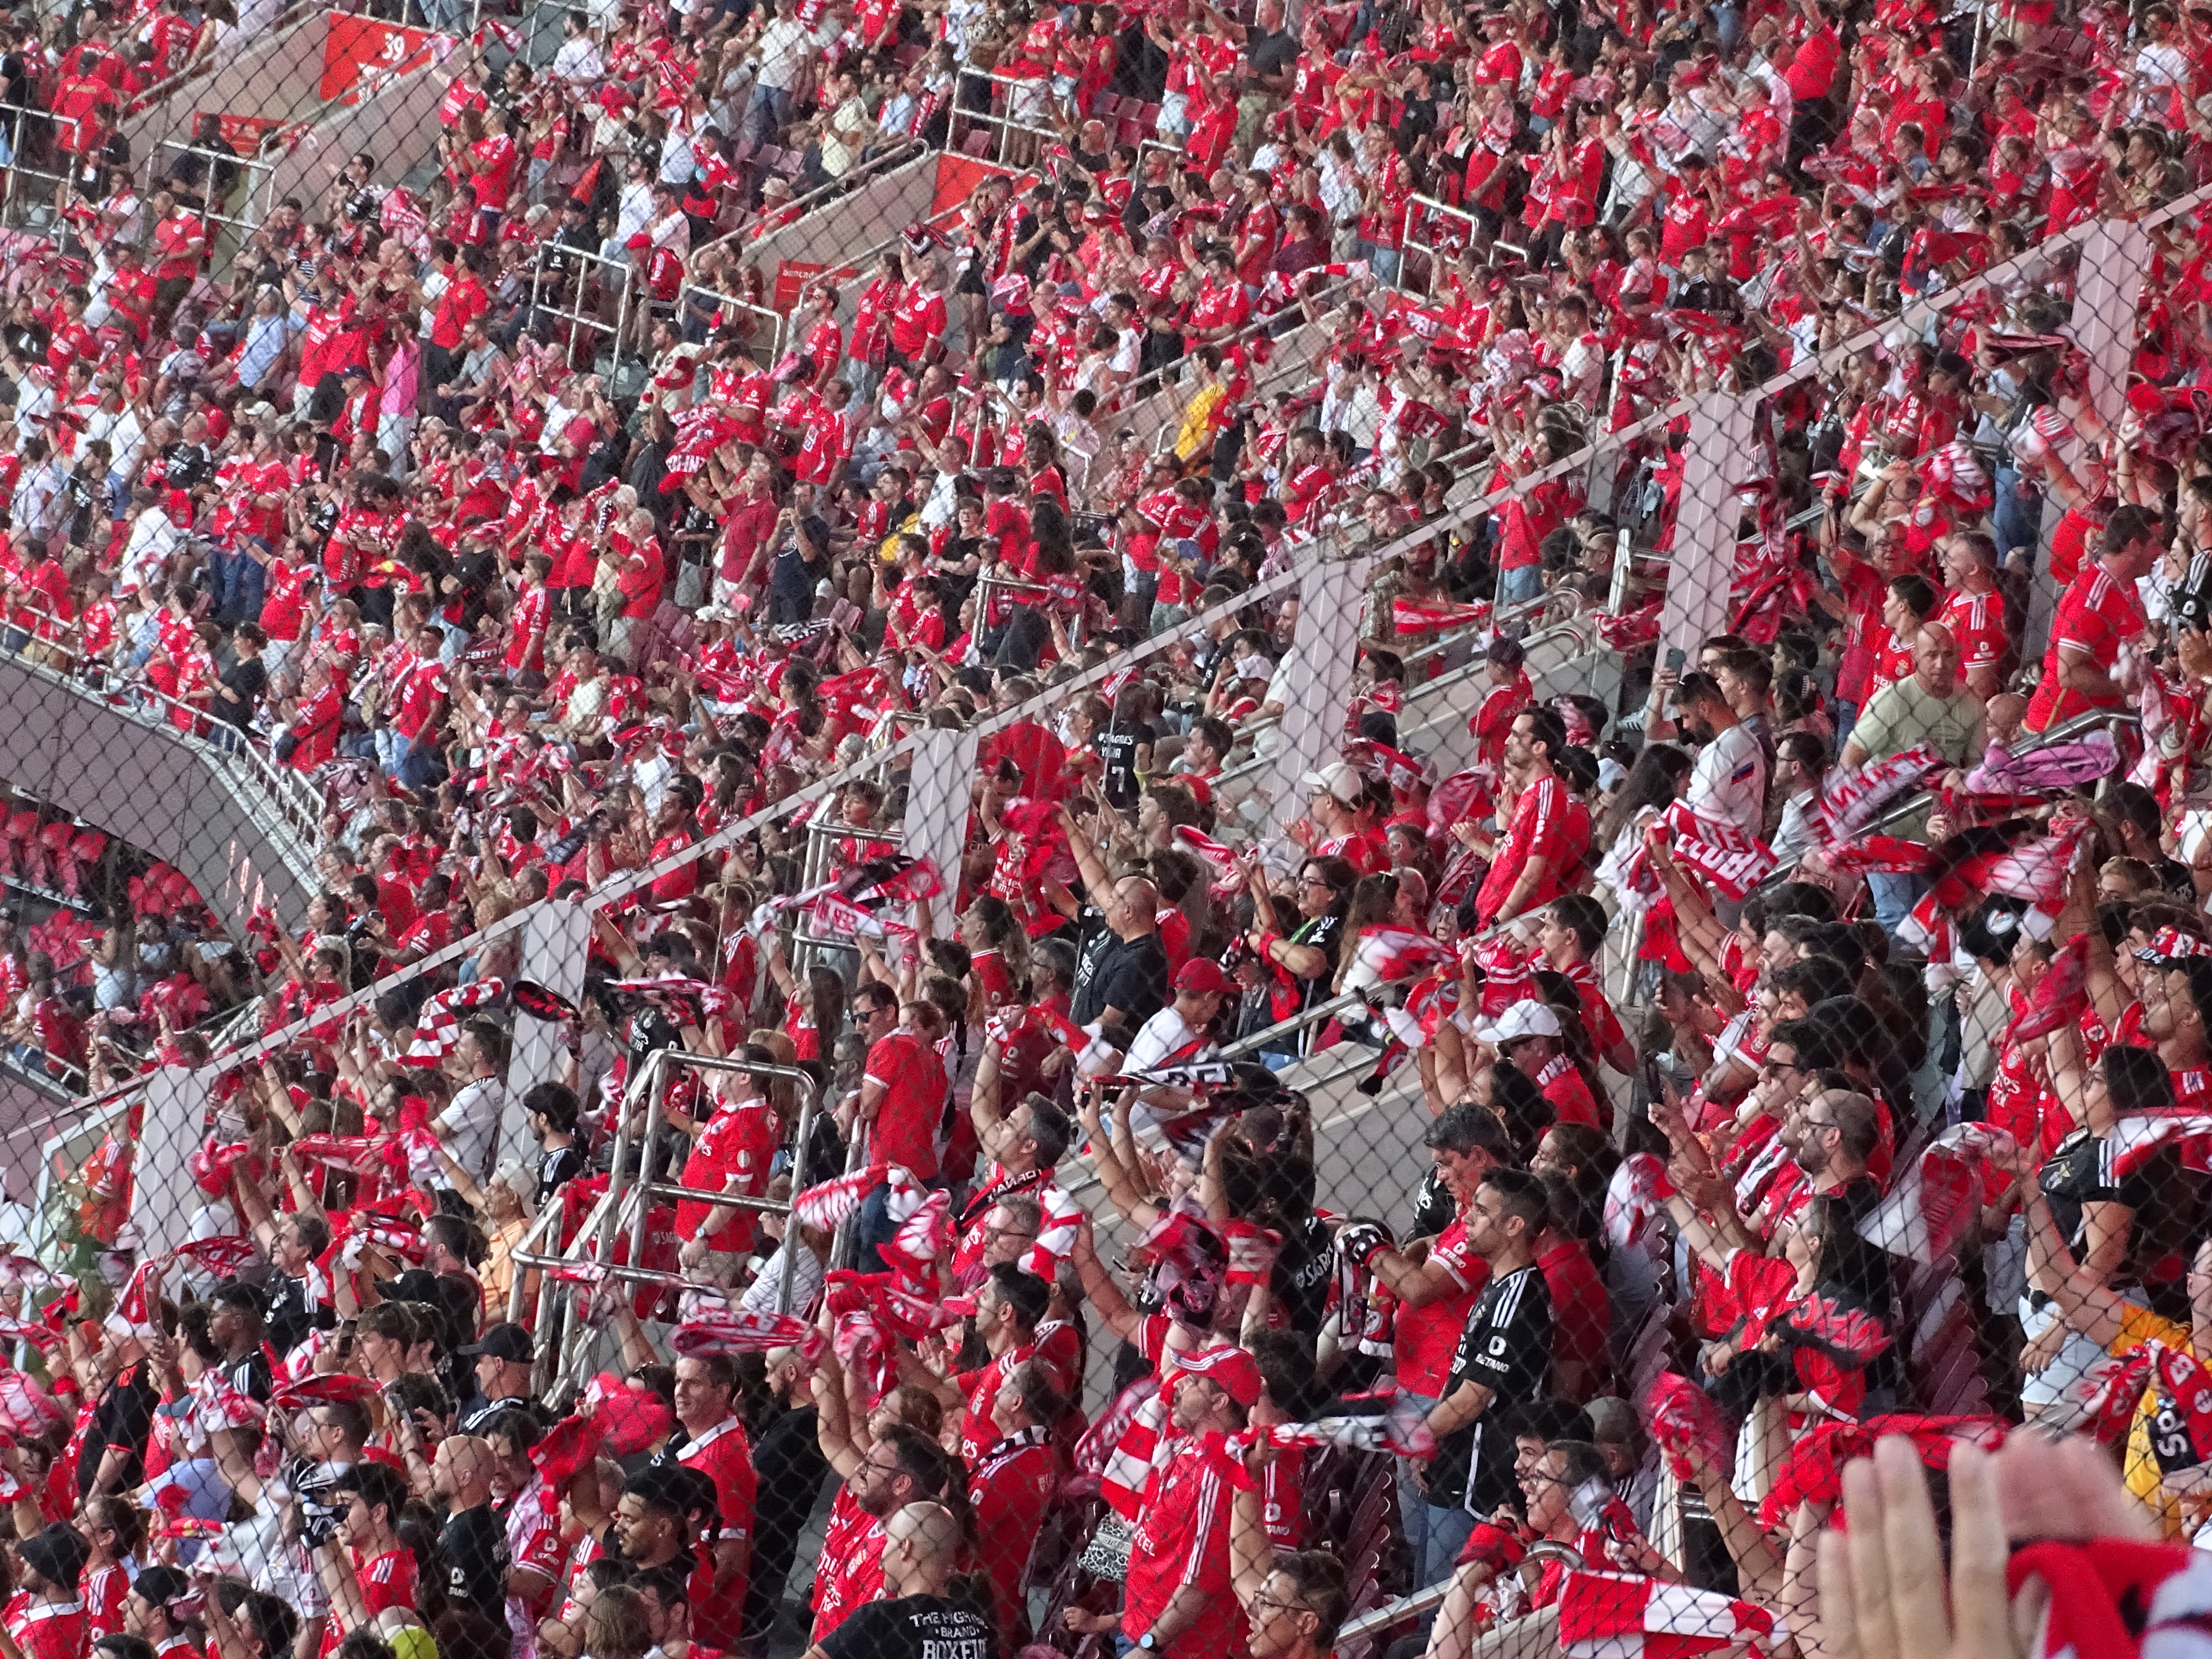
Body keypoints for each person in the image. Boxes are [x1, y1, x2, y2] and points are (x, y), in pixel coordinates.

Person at [804, 1502, 992, 1659]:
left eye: (888, 1541)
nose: (882, 1557)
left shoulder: (880, 1619)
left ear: (905, 1548)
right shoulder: (978, 1626)